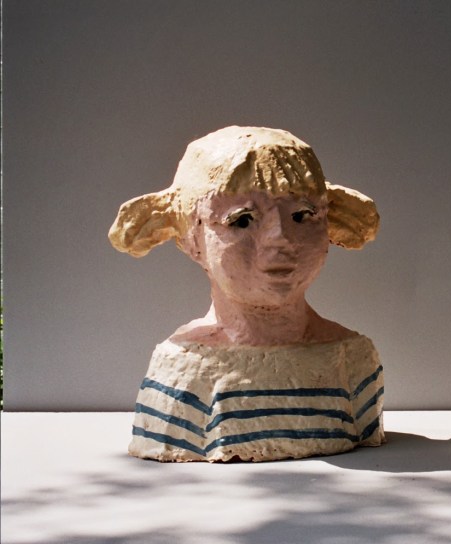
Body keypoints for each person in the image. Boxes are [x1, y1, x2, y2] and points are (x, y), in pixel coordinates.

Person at [109, 126, 384, 462]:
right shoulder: (184, 372)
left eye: (302, 215)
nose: (280, 238)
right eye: (242, 220)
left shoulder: (352, 360)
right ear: (192, 239)